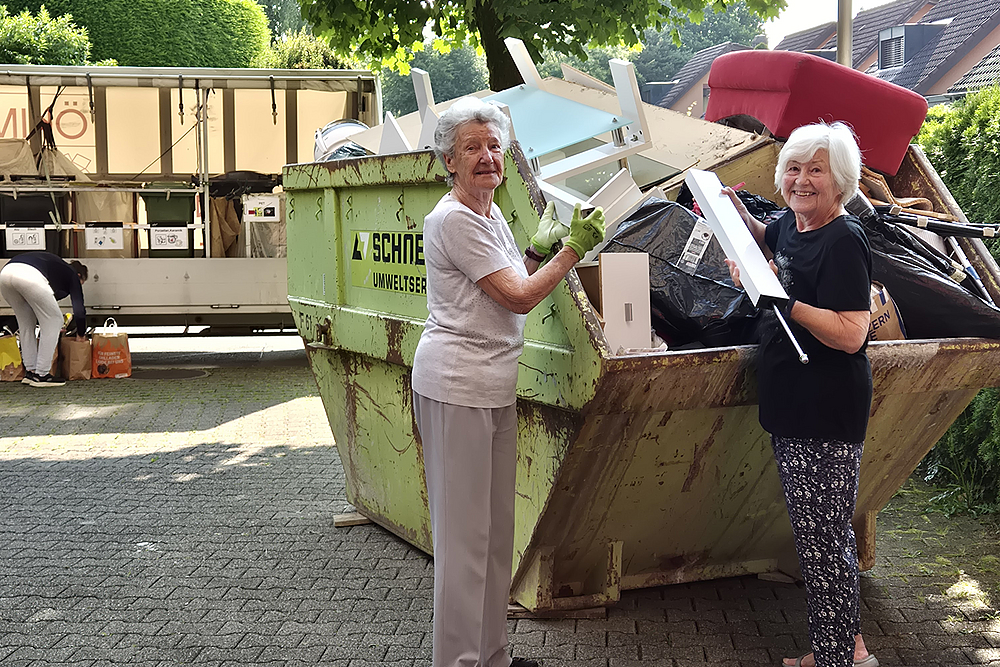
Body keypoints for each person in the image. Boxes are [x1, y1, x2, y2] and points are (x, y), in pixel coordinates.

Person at [411, 96, 605, 667]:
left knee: (496, 537)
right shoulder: (452, 219)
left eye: (494, 146)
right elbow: (518, 297)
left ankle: (491, 655)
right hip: (457, 387)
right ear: (449, 160)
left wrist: (537, 251)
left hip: (491, 385)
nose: (487, 157)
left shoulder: (489, 215)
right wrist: (571, 251)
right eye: (472, 147)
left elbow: (509, 278)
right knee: (463, 542)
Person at [722, 122, 878, 667]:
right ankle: (842, 648)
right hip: (793, 403)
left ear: (841, 182)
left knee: (825, 543)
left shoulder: (843, 240)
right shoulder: (794, 222)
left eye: (816, 170)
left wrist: (781, 300)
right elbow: (771, 238)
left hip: (825, 409)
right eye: (793, 168)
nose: (802, 180)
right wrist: (734, 214)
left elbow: (853, 332)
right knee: (818, 539)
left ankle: (838, 658)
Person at [0, 251, 88, 387]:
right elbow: (79, 309)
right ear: (79, 276)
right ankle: (42, 374)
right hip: (29, 275)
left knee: (26, 323)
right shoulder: (72, 275)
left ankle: (30, 372)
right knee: (55, 320)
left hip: (6, 273)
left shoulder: (57, 268)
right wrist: (81, 333)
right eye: (81, 283)